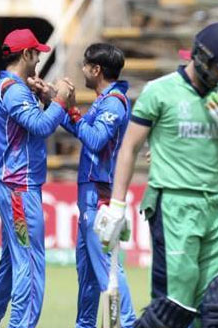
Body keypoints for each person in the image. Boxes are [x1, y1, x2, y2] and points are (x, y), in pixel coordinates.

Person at [95, 22, 218, 328]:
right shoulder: (160, 91)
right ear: (202, 58)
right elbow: (129, 148)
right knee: (175, 308)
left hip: (215, 208)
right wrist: (117, 206)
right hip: (173, 207)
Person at [0, 28, 75, 328]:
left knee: (12, 261)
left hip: (13, 186)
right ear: (27, 54)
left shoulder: (8, 87)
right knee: (29, 263)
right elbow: (41, 127)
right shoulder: (15, 90)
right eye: (37, 53)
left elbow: (27, 128)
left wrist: (44, 100)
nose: (39, 59)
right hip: (20, 189)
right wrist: (60, 101)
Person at [60, 44, 136, 328]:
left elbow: (94, 139)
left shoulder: (114, 103)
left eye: (85, 65)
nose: (81, 70)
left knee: (106, 269)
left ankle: (127, 323)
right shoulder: (103, 100)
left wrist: (72, 110)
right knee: (88, 272)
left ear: (96, 70)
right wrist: (56, 104)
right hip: (90, 193)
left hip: (100, 194)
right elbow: (82, 129)